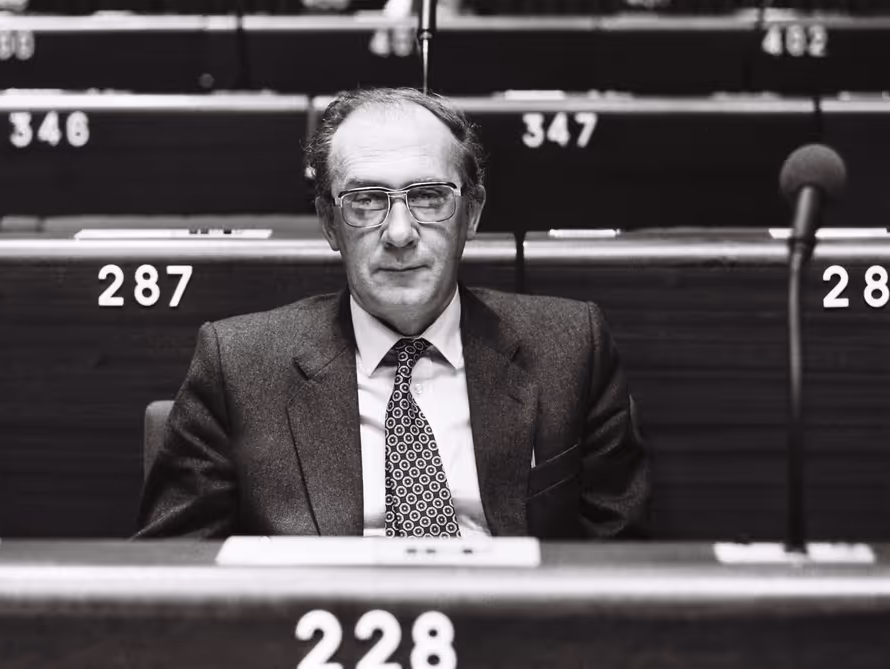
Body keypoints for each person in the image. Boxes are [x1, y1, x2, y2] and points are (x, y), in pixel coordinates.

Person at [137, 87, 648, 540]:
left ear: (471, 214)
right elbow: (171, 576)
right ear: (330, 225)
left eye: (428, 196)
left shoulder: (572, 347)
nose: (400, 232)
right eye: (366, 201)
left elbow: (620, 563)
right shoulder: (239, 364)